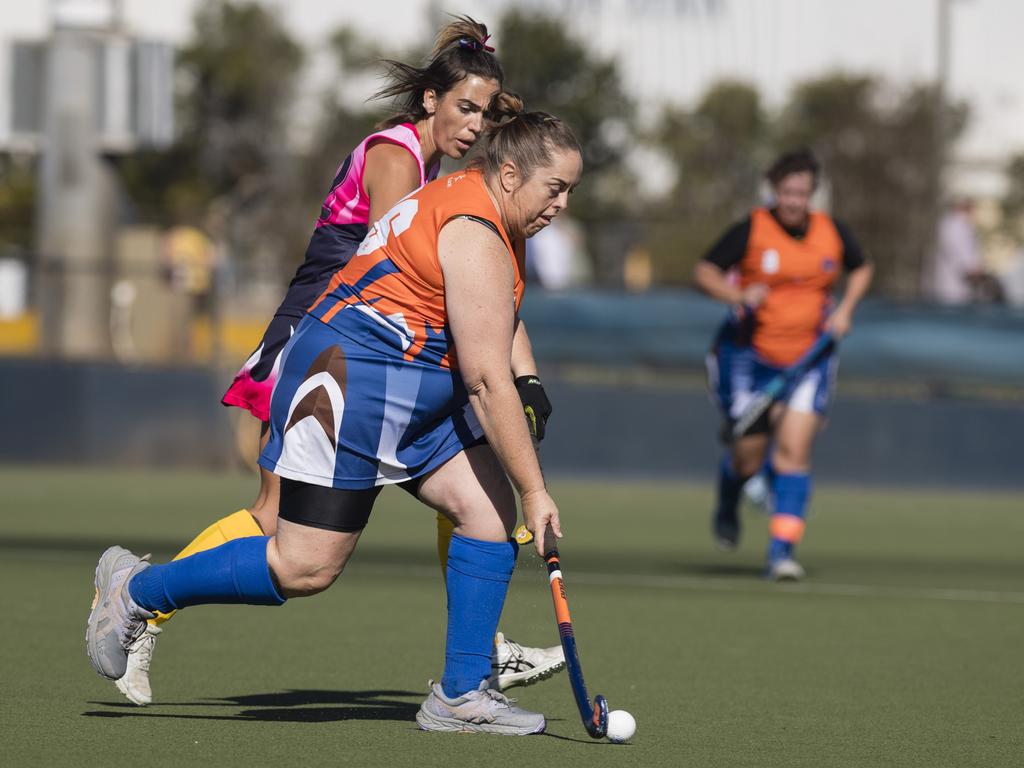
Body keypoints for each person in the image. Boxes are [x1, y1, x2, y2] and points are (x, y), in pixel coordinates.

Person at [87, 106, 583, 735]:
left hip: (409, 390)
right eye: (556, 188)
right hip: (347, 383)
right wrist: (536, 489)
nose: (562, 204)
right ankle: (137, 592)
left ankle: (461, 695)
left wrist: (529, 378)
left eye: (570, 189)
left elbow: (499, 317)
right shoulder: (476, 227)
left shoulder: (488, 204)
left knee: (486, 514)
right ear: (511, 175)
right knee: (306, 567)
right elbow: (484, 379)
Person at [694, 149, 874, 580]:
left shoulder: (832, 232)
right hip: (748, 358)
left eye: (802, 193)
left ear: (813, 193)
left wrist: (845, 309)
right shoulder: (752, 228)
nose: (794, 201)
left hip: (810, 359)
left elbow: (863, 268)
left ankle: (781, 555)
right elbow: (705, 271)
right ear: (775, 190)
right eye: (787, 192)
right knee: (748, 462)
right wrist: (737, 296)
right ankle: (728, 493)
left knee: (794, 452)